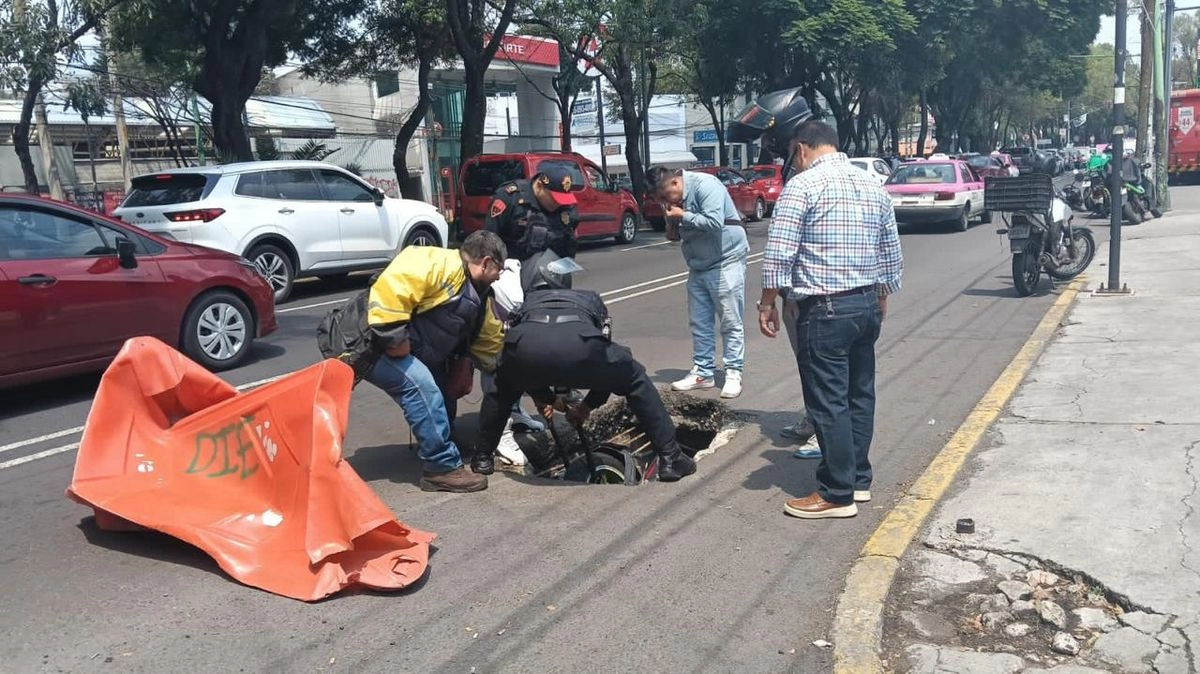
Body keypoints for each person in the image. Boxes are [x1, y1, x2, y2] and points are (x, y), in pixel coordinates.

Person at [758, 120, 903, 520]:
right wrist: (882, 295)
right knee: (860, 395)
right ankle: (857, 480)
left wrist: (767, 303)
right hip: (866, 305)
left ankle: (837, 493)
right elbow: (889, 250)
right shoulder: (873, 185)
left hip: (825, 310)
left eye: (793, 155)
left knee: (829, 403)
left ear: (801, 149)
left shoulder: (802, 187)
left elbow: (780, 254)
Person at [325, 231, 507, 493]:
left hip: (402, 345)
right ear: (486, 262)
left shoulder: (480, 295)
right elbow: (391, 292)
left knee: (441, 383)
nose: (500, 276)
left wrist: (493, 370)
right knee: (421, 387)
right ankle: (441, 468)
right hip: (368, 344)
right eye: (499, 269)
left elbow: (490, 344)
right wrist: (395, 339)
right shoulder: (436, 263)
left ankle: (440, 441)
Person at [470, 279, 697, 483]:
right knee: (636, 378)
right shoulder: (591, 298)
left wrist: (546, 398)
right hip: (582, 349)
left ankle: (482, 457)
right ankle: (670, 458)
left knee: (501, 388)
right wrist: (586, 406)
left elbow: (532, 363)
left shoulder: (528, 301)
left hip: (525, 351)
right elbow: (604, 368)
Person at [646, 166, 750, 399]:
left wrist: (682, 215)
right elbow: (675, 234)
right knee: (700, 322)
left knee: (730, 319)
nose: (665, 202)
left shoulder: (706, 185)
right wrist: (672, 224)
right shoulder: (676, 199)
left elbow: (714, 222)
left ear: (674, 183)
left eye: (664, 196)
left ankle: (733, 372)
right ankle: (703, 372)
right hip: (698, 264)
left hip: (726, 259)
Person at [485, 165, 580, 262]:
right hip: (515, 268)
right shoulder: (509, 198)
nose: (559, 204)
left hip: (554, 268)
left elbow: (570, 238)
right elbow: (491, 240)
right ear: (539, 186)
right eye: (554, 199)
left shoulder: (566, 206)